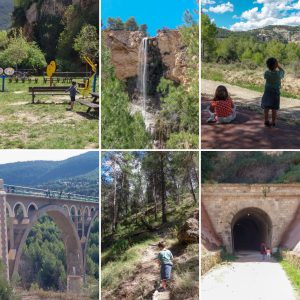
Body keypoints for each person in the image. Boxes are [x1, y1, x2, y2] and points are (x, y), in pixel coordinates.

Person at [261, 57, 285, 127]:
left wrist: (272, 66)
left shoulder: (266, 73)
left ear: (267, 65)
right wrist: (278, 66)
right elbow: (283, 71)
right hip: (275, 92)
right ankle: (273, 122)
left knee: (266, 107)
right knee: (274, 108)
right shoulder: (278, 74)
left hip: (267, 92)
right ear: (276, 65)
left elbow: (265, 76)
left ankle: (266, 120)